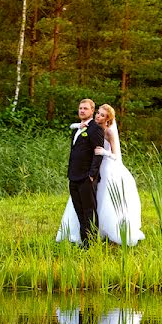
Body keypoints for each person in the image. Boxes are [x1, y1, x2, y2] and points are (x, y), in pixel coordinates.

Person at [56, 103, 144, 246]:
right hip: (88, 169)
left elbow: (116, 155)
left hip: (104, 166)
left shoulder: (108, 132)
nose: (98, 116)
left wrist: (104, 153)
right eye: (98, 113)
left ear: (107, 119)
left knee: (102, 201)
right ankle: (83, 234)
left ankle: (100, 234)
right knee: (85, 202)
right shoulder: (89, 128)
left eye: (102, 115)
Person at [60, 98, 105, 247]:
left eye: (85, 108)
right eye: (80, 108)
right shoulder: (77, 129)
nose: (82, 111)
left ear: (92, 111)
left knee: (89, 210)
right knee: (79, 210)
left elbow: (98, 153)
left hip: (87, 177)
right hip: (73, 176)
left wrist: (92, 174)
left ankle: (91, 243)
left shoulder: (95, 129)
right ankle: (83, 241)